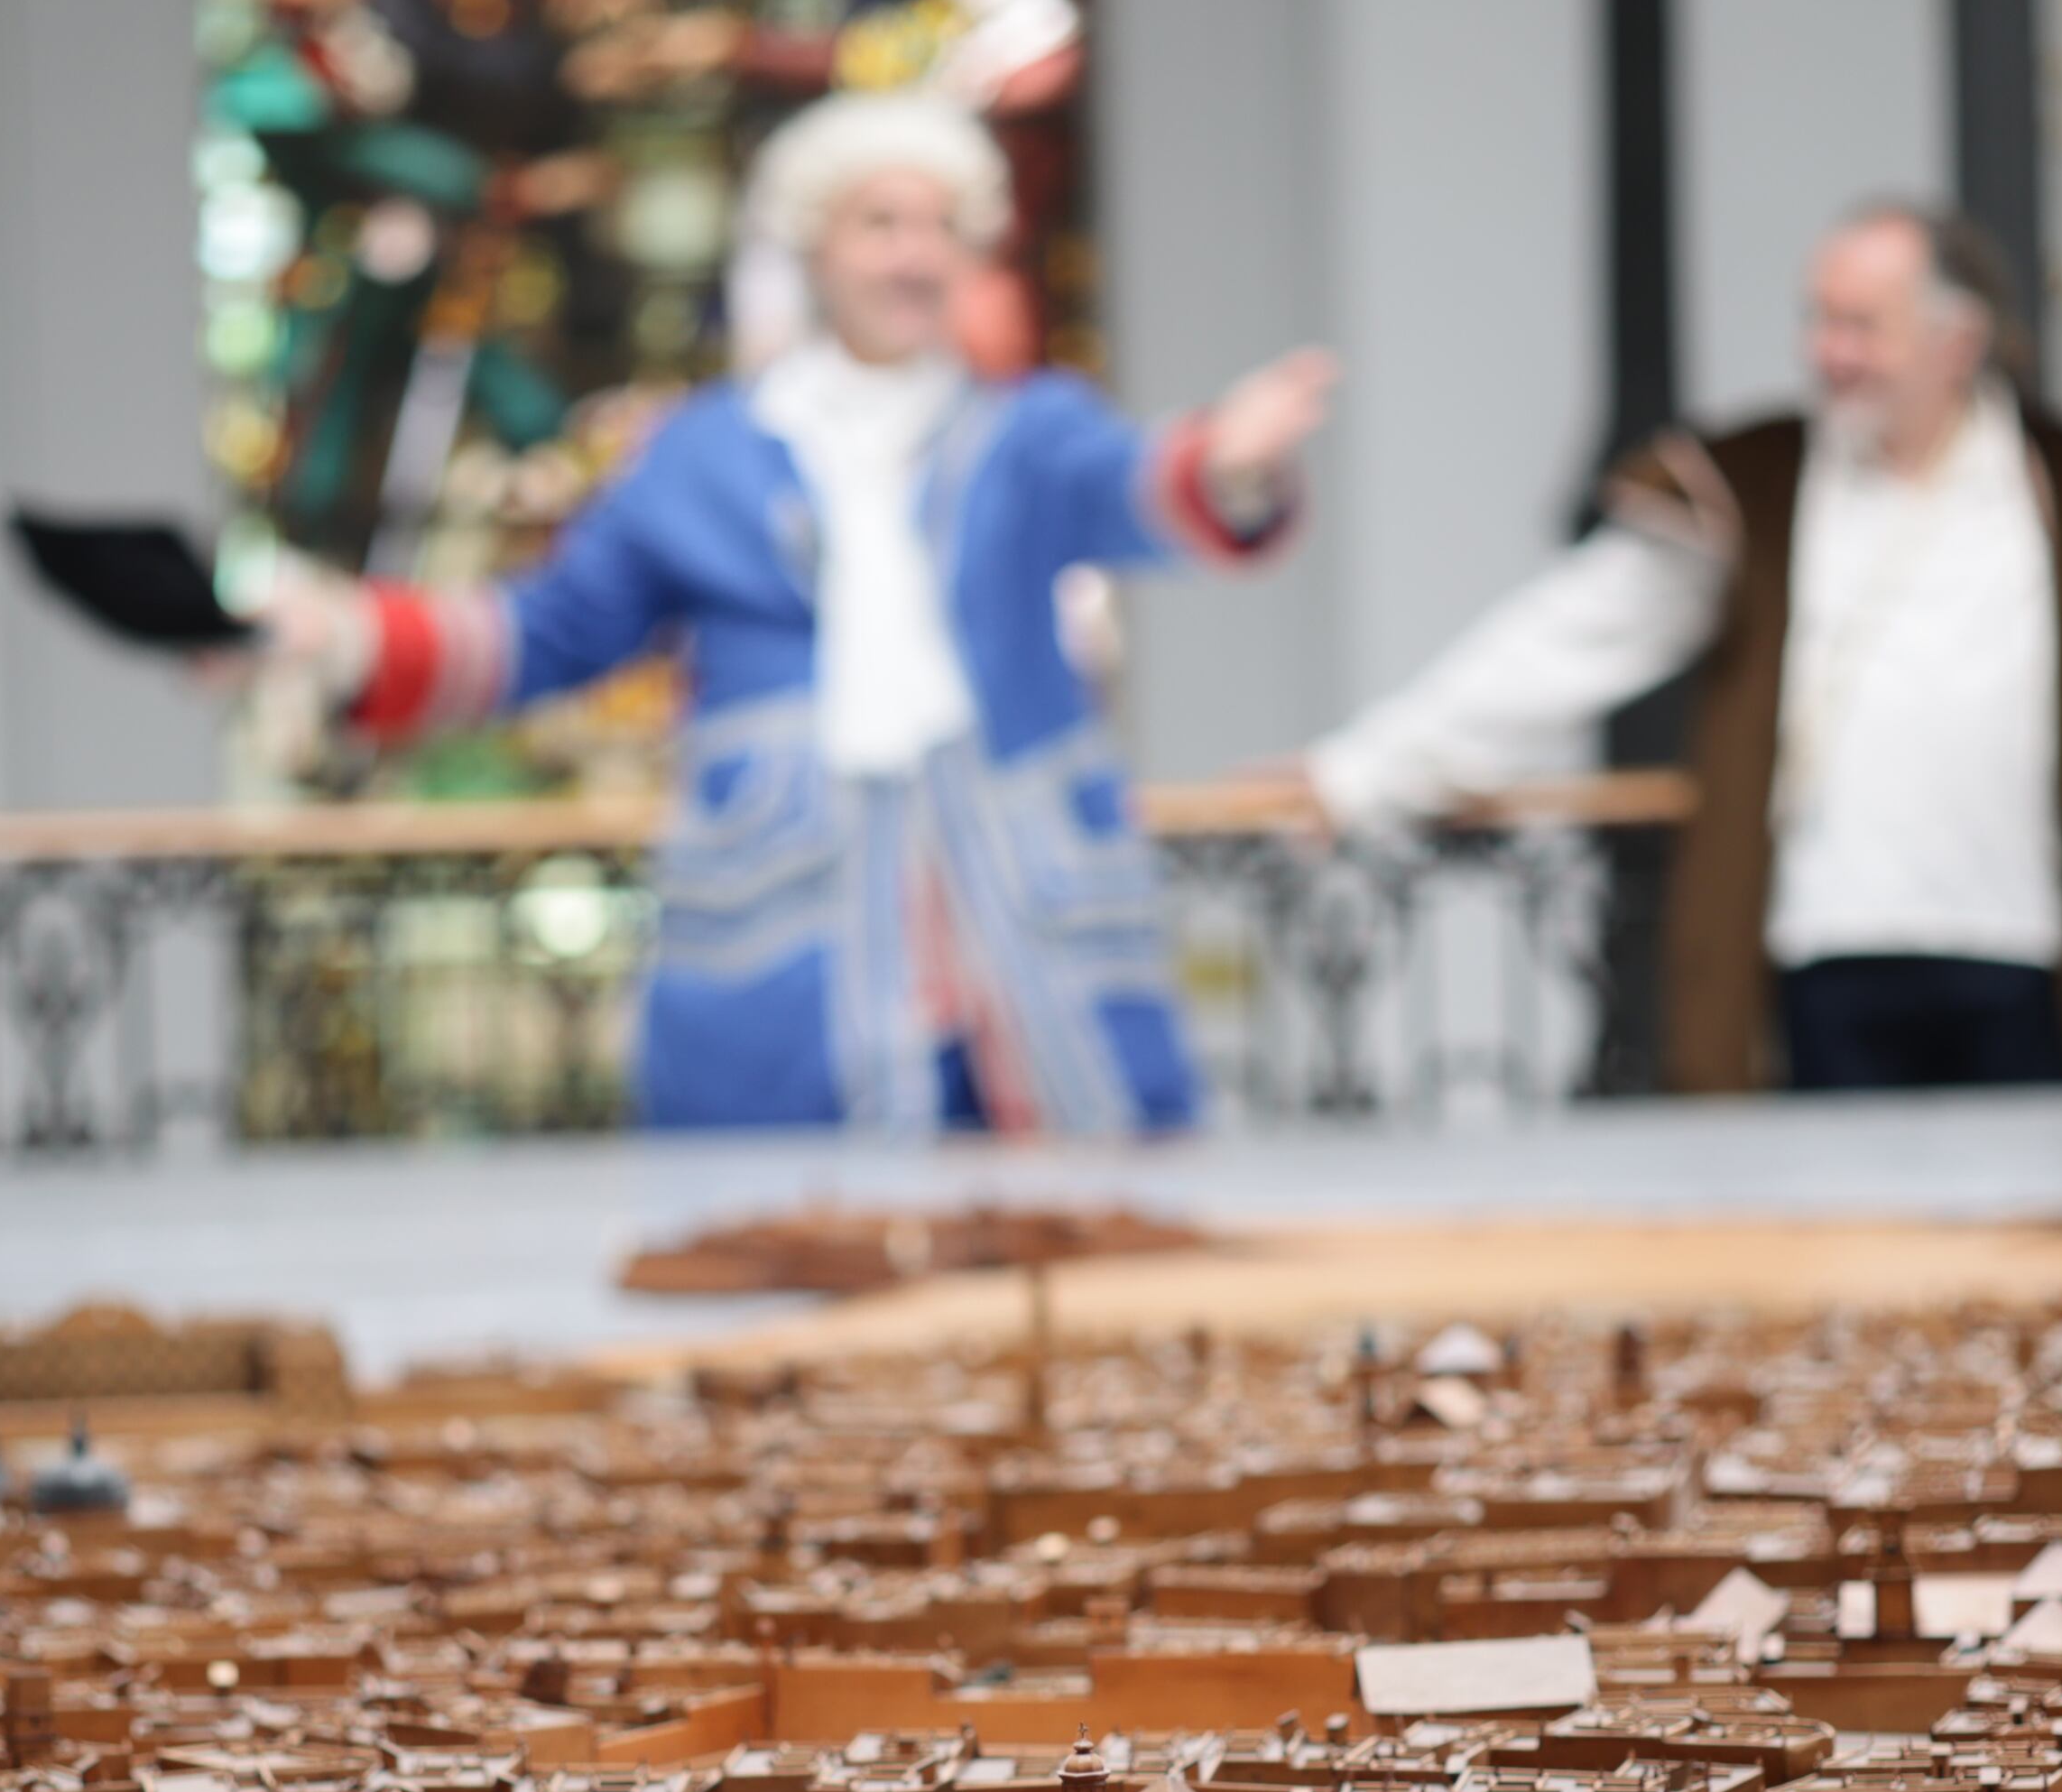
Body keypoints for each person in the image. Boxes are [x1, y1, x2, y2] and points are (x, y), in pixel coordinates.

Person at [265, 89, 1333, 1134]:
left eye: (941, 229)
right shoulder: (703, 455)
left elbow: (1136, 487)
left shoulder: (1025, 436)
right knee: (785, 1237)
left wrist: (1225, 466)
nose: (913, 256)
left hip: (1019, 929)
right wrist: (347, 639)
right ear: (813, 245)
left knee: (1061, 1251)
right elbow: (554, 631)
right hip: (783, 929)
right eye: (880, 224)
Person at [1297, 201, 2062, 1093]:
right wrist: (1360, 774)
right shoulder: (1754, 485)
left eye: (1860, 325)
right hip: (1827, 955)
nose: (1829, 353)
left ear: (1953, 341)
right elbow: (1558, 648)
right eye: (1819, 321)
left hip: (2018, 952)